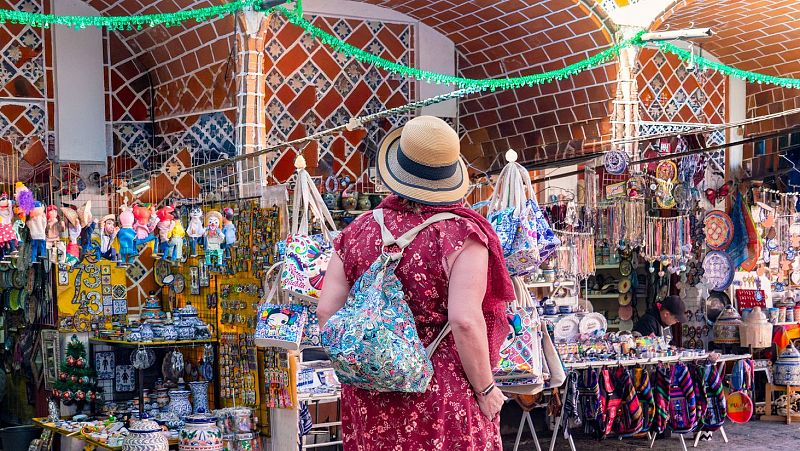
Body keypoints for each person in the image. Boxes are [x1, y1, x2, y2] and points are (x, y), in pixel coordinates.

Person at [317, 116, 515, 450]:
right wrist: (486, 391)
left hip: (369, 394)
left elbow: (327, 310)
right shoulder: (462, 235)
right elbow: (465, 320)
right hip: (440, 392)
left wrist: (372, 365)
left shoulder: (358, 230)